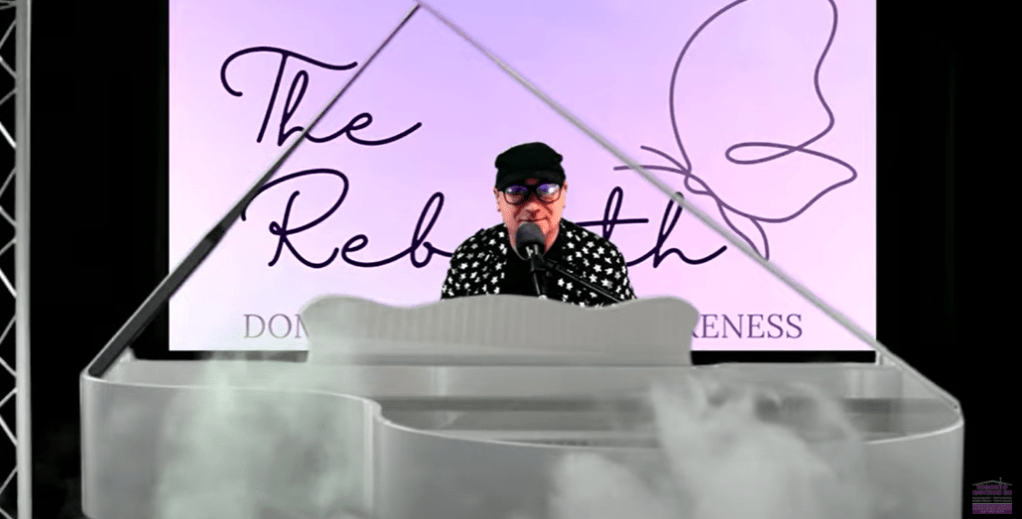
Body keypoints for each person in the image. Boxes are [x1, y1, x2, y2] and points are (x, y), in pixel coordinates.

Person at [440, 142, 637, 307]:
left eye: (546, 190)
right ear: (498, 198)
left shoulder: (601, 257)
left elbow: (629, 329)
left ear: (564, 193)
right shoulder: (471, 256)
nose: (532, 206)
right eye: (516, 191)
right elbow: (446, 331)